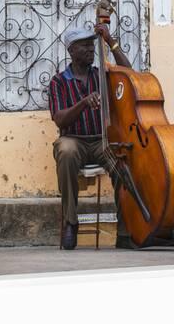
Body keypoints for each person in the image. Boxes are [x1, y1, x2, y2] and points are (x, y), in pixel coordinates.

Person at [48, 24, 135, 250]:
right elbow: (59, 119)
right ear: (71, 51)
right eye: (84, 45)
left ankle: (126, 228)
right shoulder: (59, 82)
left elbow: (129, 74)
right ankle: (70, 222)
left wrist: (110, 41)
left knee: (123, 162)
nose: (90, 49)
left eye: (91, 44)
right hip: (74, 139)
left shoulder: (101, 75)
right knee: (65, 151)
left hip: (101, 141)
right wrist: (84, 103)